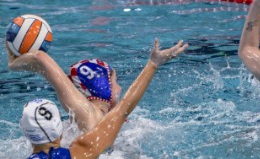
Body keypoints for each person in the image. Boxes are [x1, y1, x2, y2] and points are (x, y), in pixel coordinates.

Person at [11, 38, 187, 158]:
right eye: (115, 82)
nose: (119, 88)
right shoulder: (89, 123)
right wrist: (153, 63)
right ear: (103, 86)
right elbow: (124, 107)